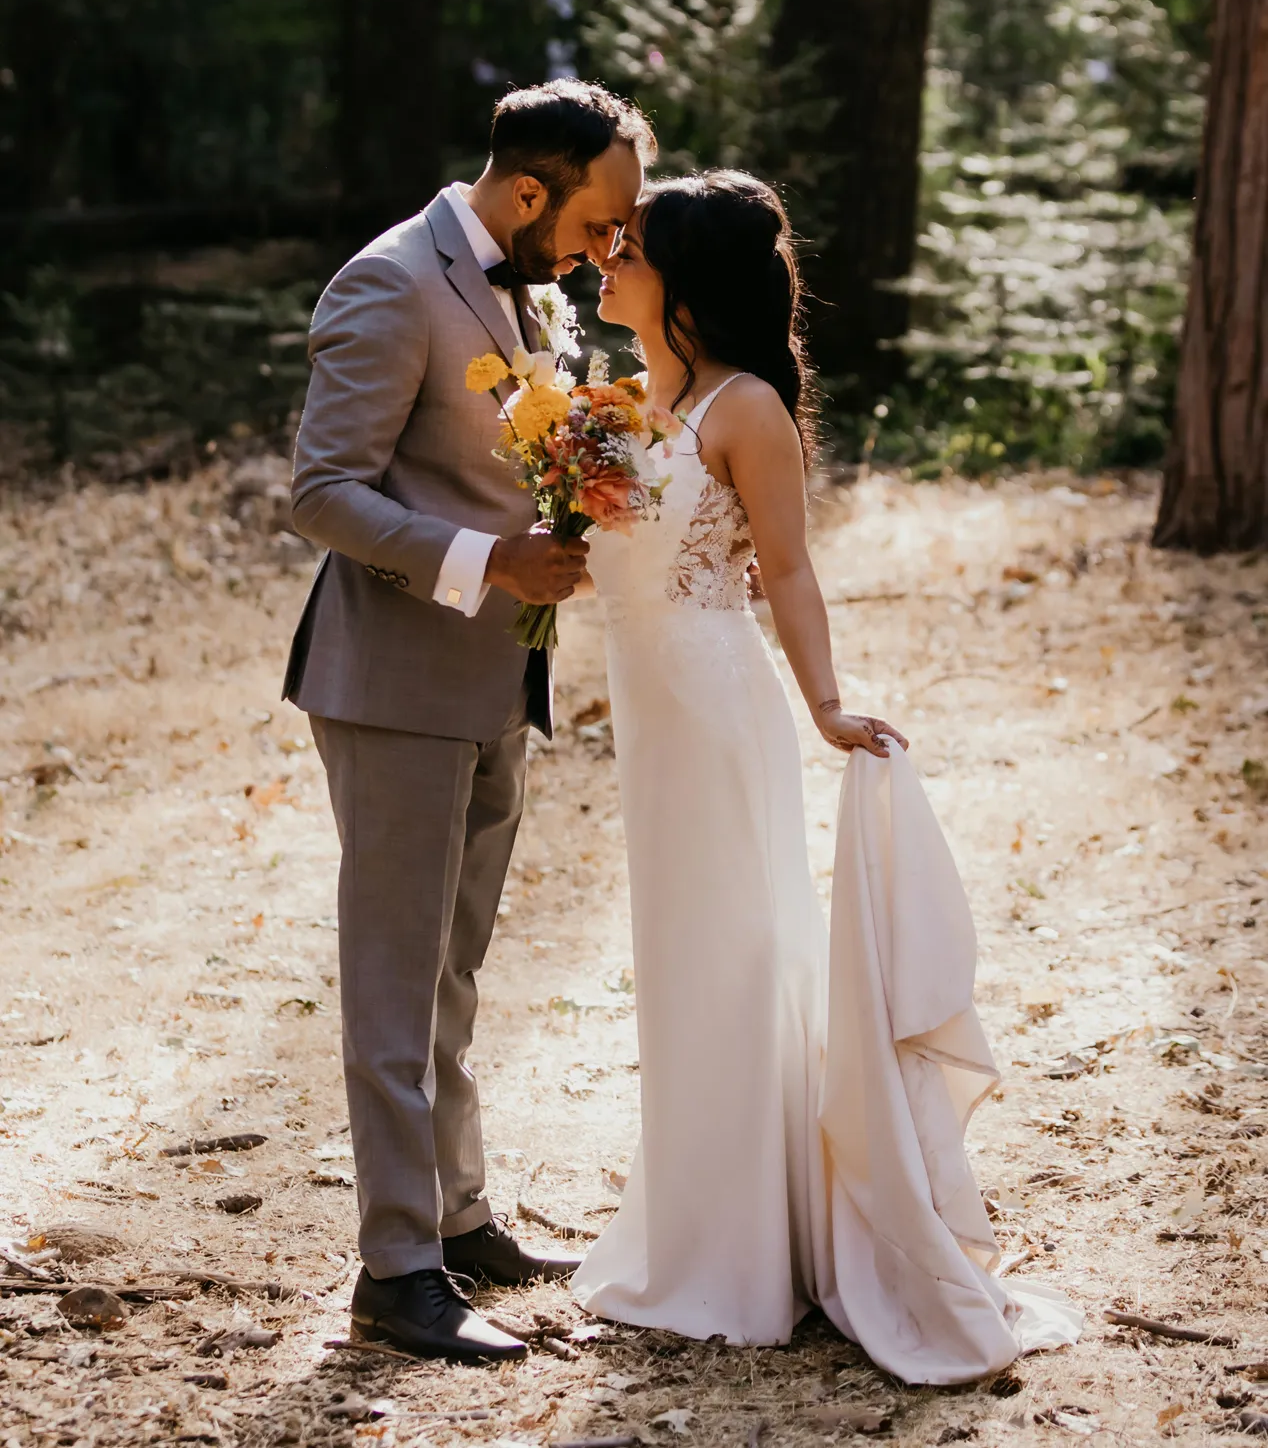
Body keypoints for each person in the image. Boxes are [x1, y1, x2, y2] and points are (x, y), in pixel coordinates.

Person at [570, 170, 1081, 1380]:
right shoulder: (624, 405)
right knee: (679, 961)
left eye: (627, 247)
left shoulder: (744, 410)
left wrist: (825, 705)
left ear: (684, 284)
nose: (604, 260)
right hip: (647, 718)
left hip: (714, 704)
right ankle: (692, 1221)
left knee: (736, 953)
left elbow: (785, 573)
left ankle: (746, 1252)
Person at [283, 79, 653, 1363]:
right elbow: (321, 494)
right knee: (394, 982)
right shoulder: (390, 282)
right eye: (600, 221)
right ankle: (395, 1270)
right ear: (532, 190)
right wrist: (485, 563)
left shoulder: (521, 286)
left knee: (451, 967)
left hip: (496, 680)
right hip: (392, 683)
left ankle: (459, 1216)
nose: (607, 249)